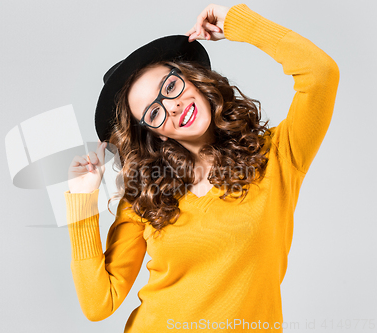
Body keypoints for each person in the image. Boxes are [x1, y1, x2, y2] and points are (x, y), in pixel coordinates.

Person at [65, 3, 339, 332]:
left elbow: (321, 74)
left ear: (192, 79)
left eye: (170, 87)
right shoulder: (145, 198)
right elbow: (99, 304)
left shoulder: (278, 157)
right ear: (153, 133)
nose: (174, 106)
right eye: (154, 113)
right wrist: (82, 203)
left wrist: (241, 25)